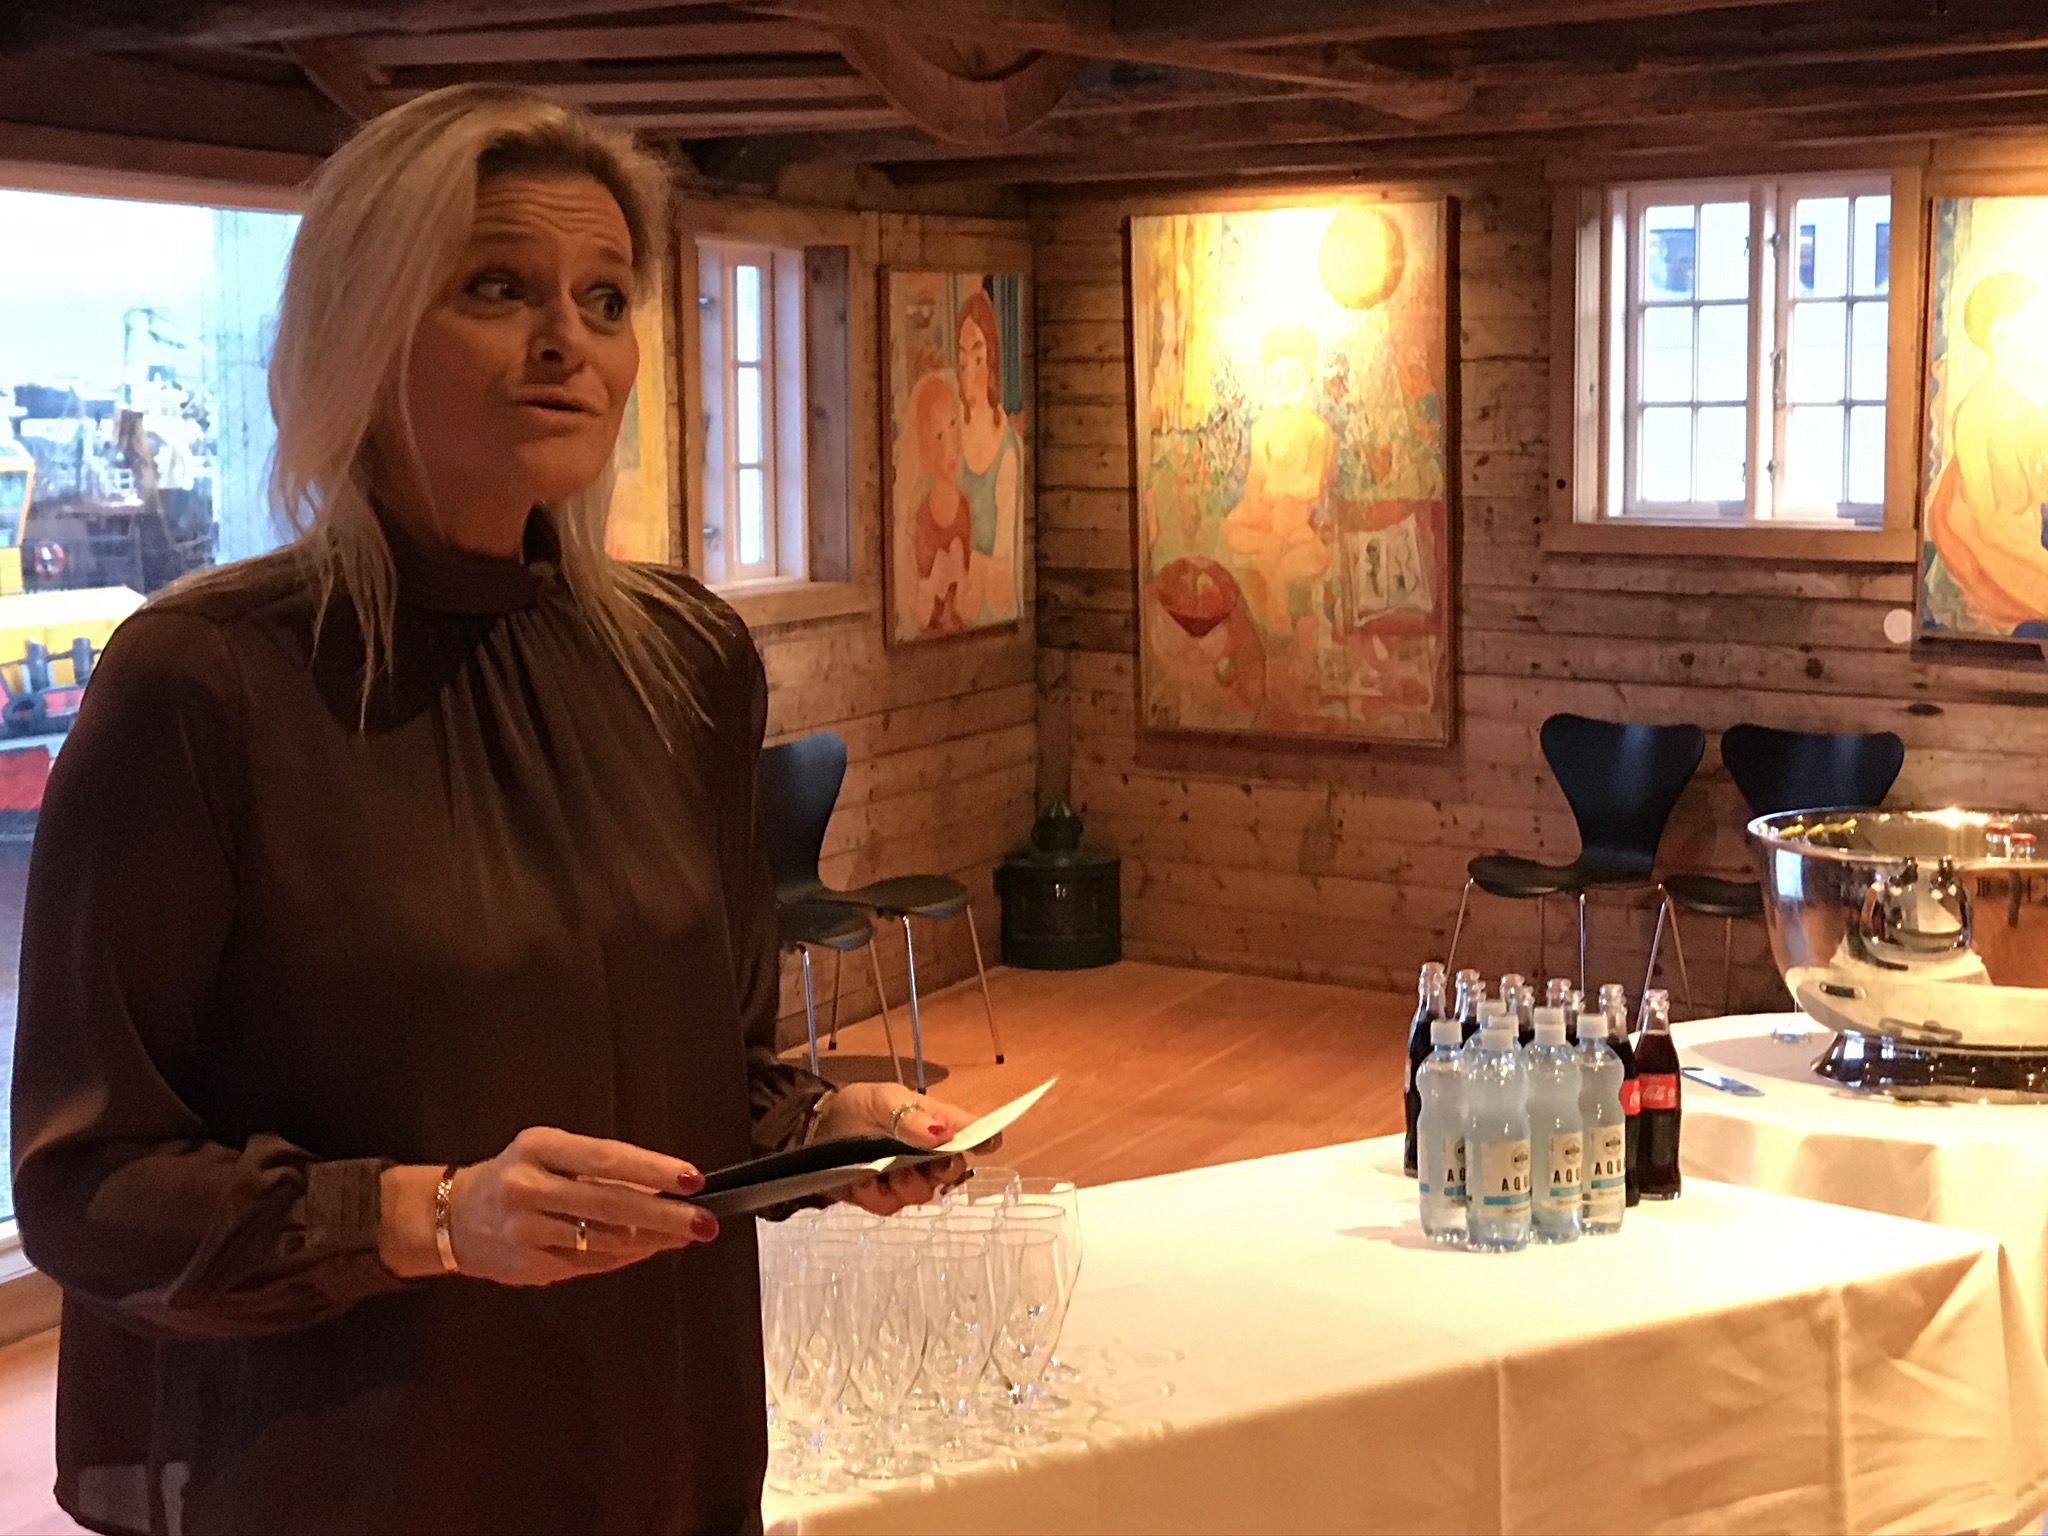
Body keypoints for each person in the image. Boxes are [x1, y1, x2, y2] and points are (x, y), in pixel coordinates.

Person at [10, 83, 982, 1536]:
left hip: (655, 1420)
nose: (564, 341)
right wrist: (431, 1214)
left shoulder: (683, 662)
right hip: (361, 1458)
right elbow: (88, 1182)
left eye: (605, 299)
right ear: (359, 328)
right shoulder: (208, 682)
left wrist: (832, 1129)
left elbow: (708, 1072)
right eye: (495, 288)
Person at [1927, 268, 2048, 628]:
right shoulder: (1986, 414)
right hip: (1999, 563)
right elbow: (1996, 522)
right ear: (1999, 334)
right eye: (2034, 327)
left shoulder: (2020, 408)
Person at [1220, 322, 1333, 633]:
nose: (1284, 391)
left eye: (1293, 380)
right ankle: (1270, 546)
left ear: (1311, 376)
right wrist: (1255, 503)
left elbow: (1312, 485)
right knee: (1231, 530)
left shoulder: (1316, 430)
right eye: (1274, 382)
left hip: (1294, 515)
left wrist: (1283, 500)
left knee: (1317, 557)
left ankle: (1277, 588)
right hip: (1262, 513)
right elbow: (1257, 476)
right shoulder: (1262, 427)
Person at [953, 289, 1019, 624]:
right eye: (963, 362)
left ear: (992, 360)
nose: (969, 376)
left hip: (989, 607)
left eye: (978, 360)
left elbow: (1004, 577)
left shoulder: (1006, 450)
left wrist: (975, 568)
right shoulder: (951, 433)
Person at [906, 369, 970, 635]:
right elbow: (918, 614)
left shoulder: (965, 510)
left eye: (953, 425)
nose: (949, 446)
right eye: (939, 436)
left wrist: (961, 577)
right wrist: (933, 583)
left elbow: (969, 603)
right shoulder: (922, 519)